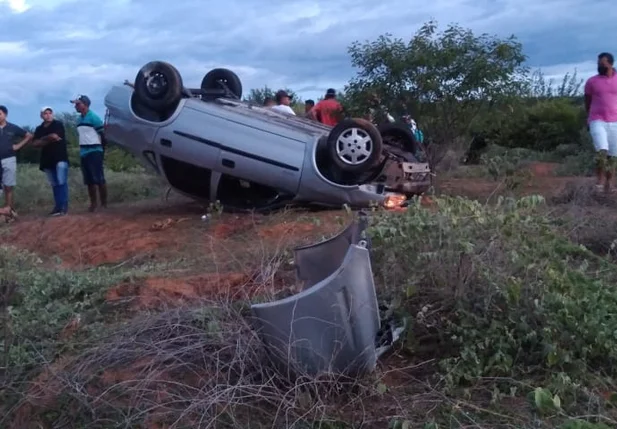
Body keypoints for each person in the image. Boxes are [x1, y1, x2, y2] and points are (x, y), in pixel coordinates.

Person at [584, 52, 617, 193]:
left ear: (610, 64)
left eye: (602, 63)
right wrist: (589, 117)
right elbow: (587, 101)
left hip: (615, 121)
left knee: (613, 155)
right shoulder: (592, 82)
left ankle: (610, 183)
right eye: (598, 63)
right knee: (601, 150)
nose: (599, 66)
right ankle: (599, 182)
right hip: (597, 120)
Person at [71, 95, 108, 211]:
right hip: (84, 151)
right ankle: (93, 204)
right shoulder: (79, 119)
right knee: (89, 180)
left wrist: (102, 150)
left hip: (95, 150)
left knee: (99, 178)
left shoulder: (94, 118)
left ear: (85, 104)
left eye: (78, 104)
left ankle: (104, 204)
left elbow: (103, 134)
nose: (75, 106)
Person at [31, 107, 70, 216]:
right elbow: (34, 144)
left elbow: (55, 136)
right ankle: (58, 207)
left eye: (50, 113)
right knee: (54, 184)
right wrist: (48, 138)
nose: (48, 115)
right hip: (47, 160)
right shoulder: (39, 128)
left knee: (61, 182)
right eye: (45, 113)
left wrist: (42, 140)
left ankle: (63, 207)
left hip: (60, 157)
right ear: (41, 115)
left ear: (52, 114)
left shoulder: (58, 124)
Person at [0, 105, 32, 222]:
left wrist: (17, 146)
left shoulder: (12, 128)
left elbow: (28, 135)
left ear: (5, 115)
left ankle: (10, 211)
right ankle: (3, 211)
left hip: (9, 159)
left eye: (0, 114)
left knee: (8, 186)